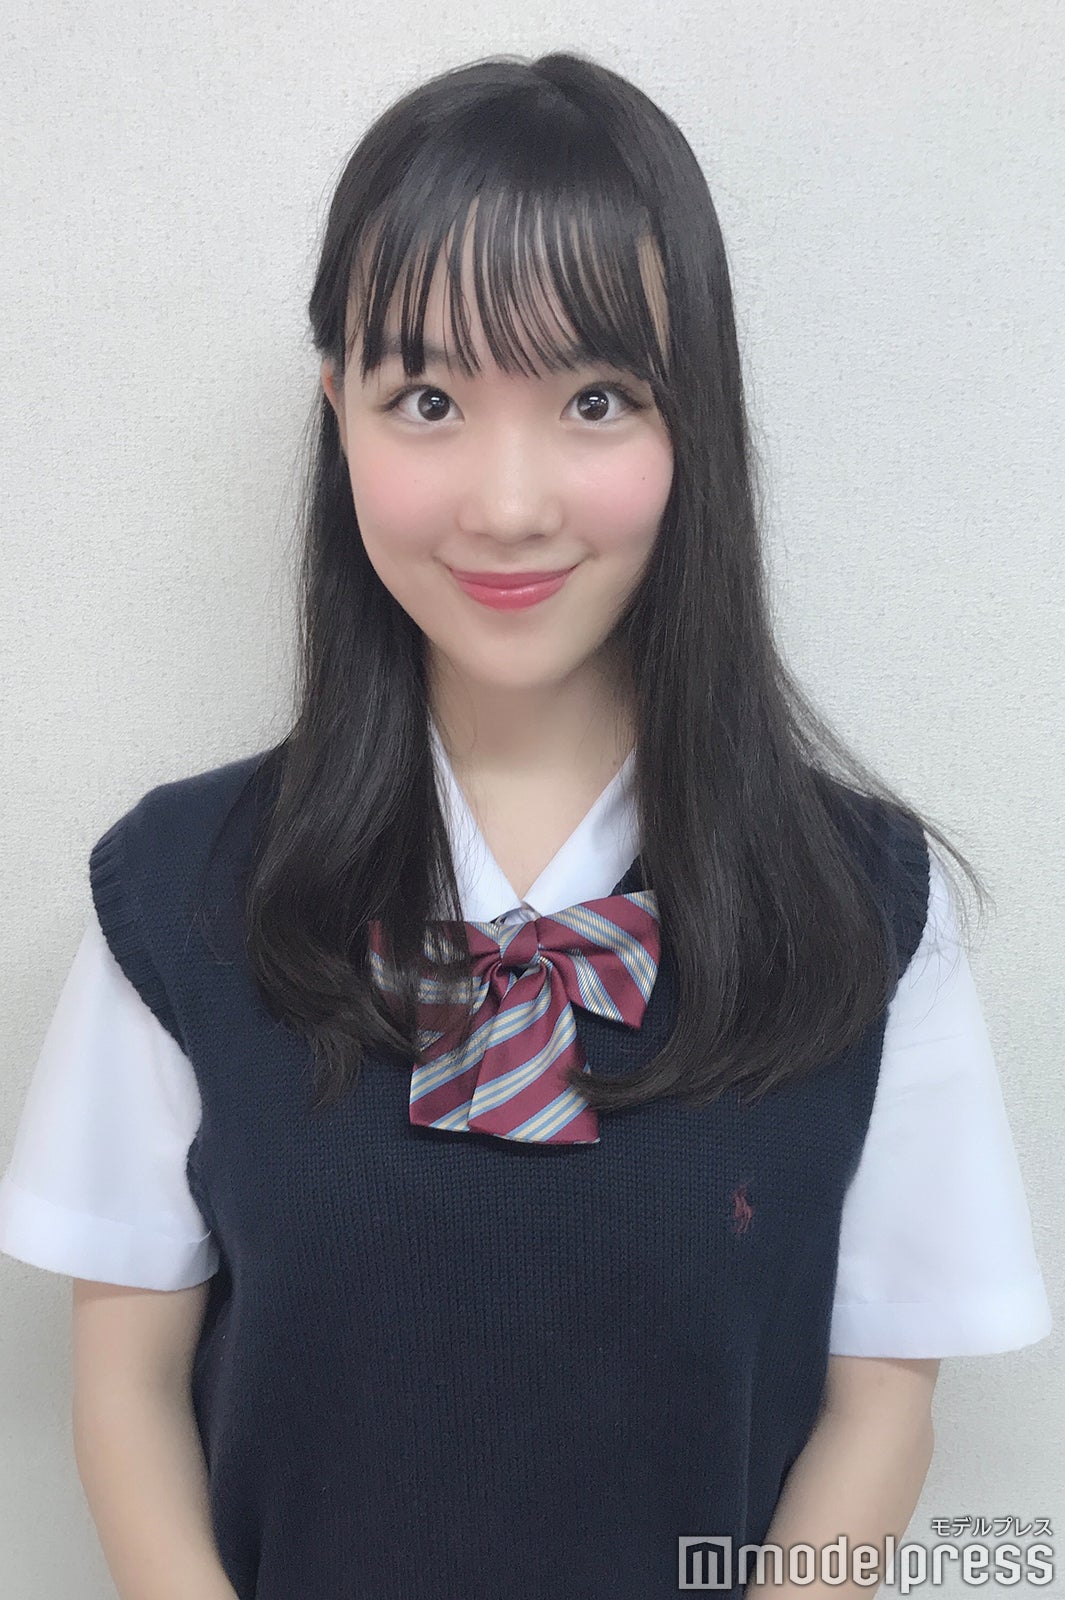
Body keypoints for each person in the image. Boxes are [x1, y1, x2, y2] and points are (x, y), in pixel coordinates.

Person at [0, 49, 1051, 1600]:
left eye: (594, 400)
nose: (506, 503)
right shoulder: (180, 896)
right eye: (426, 400)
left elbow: (878, 1406)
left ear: (693, 423)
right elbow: (126, 1390)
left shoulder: (865, 915)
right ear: (338, 415)